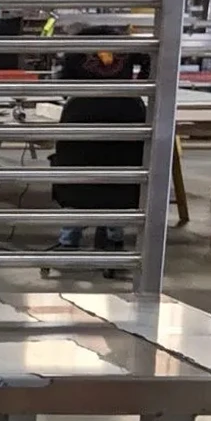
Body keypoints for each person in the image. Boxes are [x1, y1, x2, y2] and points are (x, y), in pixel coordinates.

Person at [50, 48, 145, 262]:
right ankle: (114, 239)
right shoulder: (135, 105)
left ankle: (69, 240)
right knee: (118, 173)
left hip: (77, 180)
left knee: (76, 172)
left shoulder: (75, 106)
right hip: (122, 181)